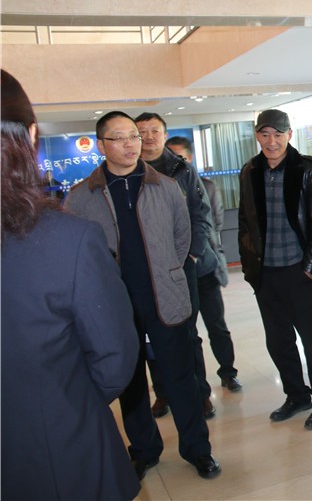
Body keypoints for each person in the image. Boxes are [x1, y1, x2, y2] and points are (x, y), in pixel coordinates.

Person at [1, 71, 140, 500]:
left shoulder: (167, 184)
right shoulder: (67, 236)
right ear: (31, 134)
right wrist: (64, 399)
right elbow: (114, 358)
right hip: (58, 450)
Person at [65, 111, 221, 480]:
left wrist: (169, 270)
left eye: (134, 136)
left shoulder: (165, 187)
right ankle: (144, 450)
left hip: (164, 297)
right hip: (113, 306)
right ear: (101, 145)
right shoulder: (81, 197)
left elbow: (182, 237)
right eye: (119, 137)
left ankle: (198, 450)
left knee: (181, 378)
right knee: (130, 382)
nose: (131, 144)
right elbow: (76, 255)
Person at [238, 109, 312, 429]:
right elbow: (245, 222)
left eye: (278, 134)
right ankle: (296, 396)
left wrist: (311, 268)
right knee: (278, 341)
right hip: (265, 273)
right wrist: (249, 266)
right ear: (257, 135)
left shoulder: (308, 168)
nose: (272, 141)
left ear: (289, 135)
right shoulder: (250, 170)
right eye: (265, 134)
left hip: (299, 271)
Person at [135, 112, 217, 419]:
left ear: (165, 134)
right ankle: (163, 393)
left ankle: (200, 393)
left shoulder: (182, 169)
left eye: (154, 131)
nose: (148, 137)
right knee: (150, 333)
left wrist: (191, 255)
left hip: (181, 265)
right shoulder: (130, 169)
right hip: (144, 268)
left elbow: (201, 213)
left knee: (187, 331)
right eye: (142, 131)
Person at [165, 136, 242, 393]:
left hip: (204, 267)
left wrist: (195, 252)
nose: (177, 162)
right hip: (175, 274)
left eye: (181, 157)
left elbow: (213, 223)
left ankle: (228, 372)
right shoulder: (159, 187)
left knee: (217, 326)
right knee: (187, 332)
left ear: (190, 158)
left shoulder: (206, 186)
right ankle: (197, 386)